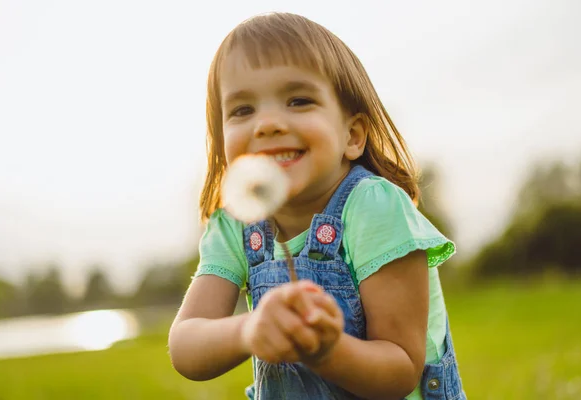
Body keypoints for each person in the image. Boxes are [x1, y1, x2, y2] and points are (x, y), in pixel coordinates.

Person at [168, 12, 466, 400]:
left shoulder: (373, 208)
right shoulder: (236, 224)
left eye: (299, 100)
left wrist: (328, 351)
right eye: (243, 110)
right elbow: (186, 346)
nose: (268, 124)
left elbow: (400, 368)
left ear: (352, 135)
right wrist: (248, 330)